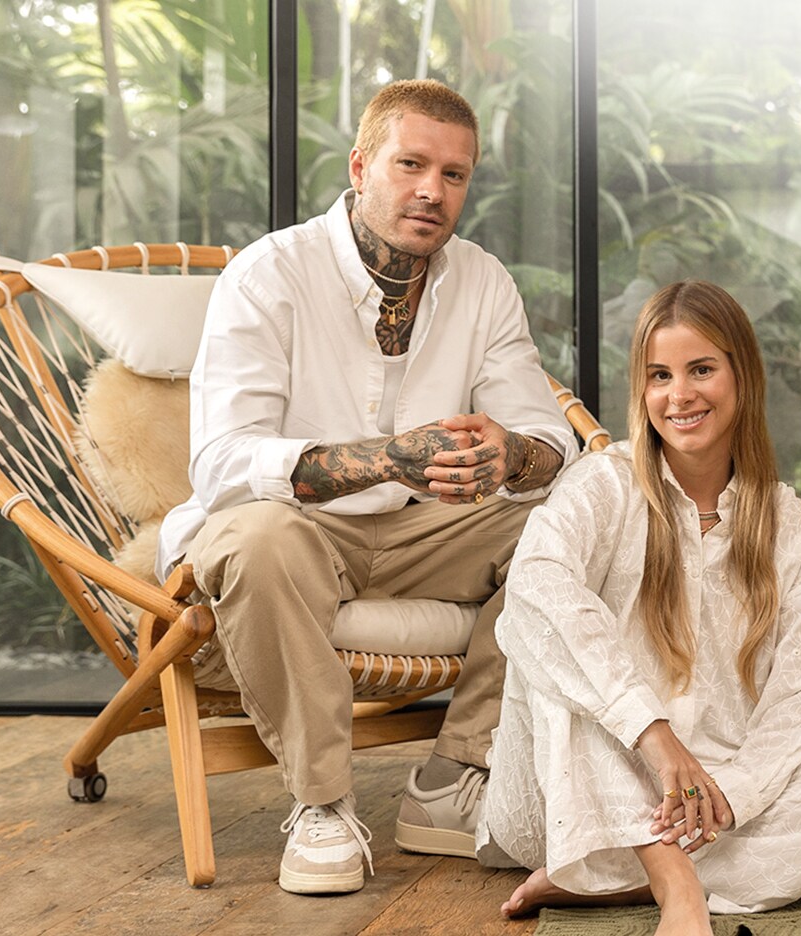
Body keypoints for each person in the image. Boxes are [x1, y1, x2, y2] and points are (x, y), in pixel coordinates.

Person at [155, 79, 577, 895]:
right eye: (411, 164)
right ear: (360, 166)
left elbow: (552, 436)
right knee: (258, 537)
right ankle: (320, 805)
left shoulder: (485, 281)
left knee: (579, 513)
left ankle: (454, 773)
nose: (432, 190)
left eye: (455, 174)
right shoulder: (268, 275)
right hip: (297, 533)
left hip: (428, 532)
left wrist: (510, 453)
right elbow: (222, 466)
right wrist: (388, 458)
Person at [476, 281, 801, 935]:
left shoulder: (790, 526)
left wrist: (733, 794)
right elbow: (535, 591)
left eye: (701, 370)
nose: (679, 395)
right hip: (565, 792)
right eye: (659, 375)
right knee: (552, 637)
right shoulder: (603, 485)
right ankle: (676, 885)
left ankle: (615, 880)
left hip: (709, 797)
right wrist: (654, 737)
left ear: (742, 377)